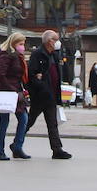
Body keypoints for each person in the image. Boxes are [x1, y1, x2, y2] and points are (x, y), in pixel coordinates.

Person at [26, 30, 71, 159]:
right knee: (29, 121)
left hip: (51, 96)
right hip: (40, 96)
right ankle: (17, 143)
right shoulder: (38, 54)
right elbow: (32, 75)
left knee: (53, 124)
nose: (58, 42)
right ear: (49, 41)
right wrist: (42, 87)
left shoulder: (54, 55)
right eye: (55, 39)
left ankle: (57, 150)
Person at [0, 32, 30, 160]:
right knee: (4, 122)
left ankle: (17, 146)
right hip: (7, 92)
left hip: (16, 91)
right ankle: (0, 151)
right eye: (20, 44)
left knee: (24, 118)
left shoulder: (17, 56)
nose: (22, 46)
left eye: (23, 44)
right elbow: (1, 75)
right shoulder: (5, 55)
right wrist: (12, 90)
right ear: (13, 43)